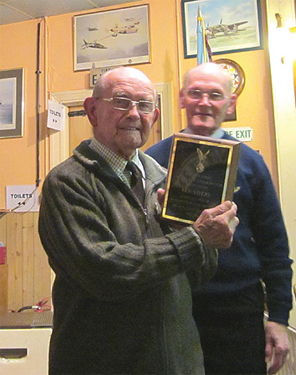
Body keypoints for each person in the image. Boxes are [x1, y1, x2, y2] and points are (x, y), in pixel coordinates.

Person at [38, 66, 239, 375]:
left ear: (154, 117)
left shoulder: (168, 179)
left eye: (144, 105)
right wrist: (195, 239)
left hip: (179, 363)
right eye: (121, 101)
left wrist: (212, 242)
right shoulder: (67, 182)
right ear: (92, 110)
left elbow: (198, 275)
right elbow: (105, 272)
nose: (134, 113)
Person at [146, 62, 293, 375]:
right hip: (170, 306)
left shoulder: (252, 164)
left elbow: (274, 246)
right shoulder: (153, 160)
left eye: (215, 94)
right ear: (182, 98)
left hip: (237, 309)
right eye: (196, 93)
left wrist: (279, 318)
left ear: (230, 103)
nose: (204, 102)